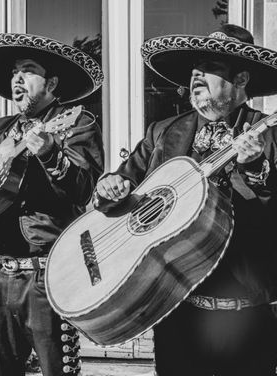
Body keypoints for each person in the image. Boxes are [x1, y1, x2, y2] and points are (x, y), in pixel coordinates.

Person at [94, 24, 277, 376]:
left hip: (247, 315)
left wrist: (257, 171)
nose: (196, 74)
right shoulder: (162, 131)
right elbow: (121, 186)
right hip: (176, 310)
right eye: (195, 67)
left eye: (210, 66)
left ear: (241, 77)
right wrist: (109, 187)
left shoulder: (269, 135)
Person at [0, 33, 104, 376]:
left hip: (48, 274)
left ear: (52, 83)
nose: (17, 78)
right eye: (14, 72)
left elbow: (83, 189)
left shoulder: (77, 122)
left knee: (58, 371)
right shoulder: (0, 129)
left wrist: (49, 153)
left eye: (28, 71)